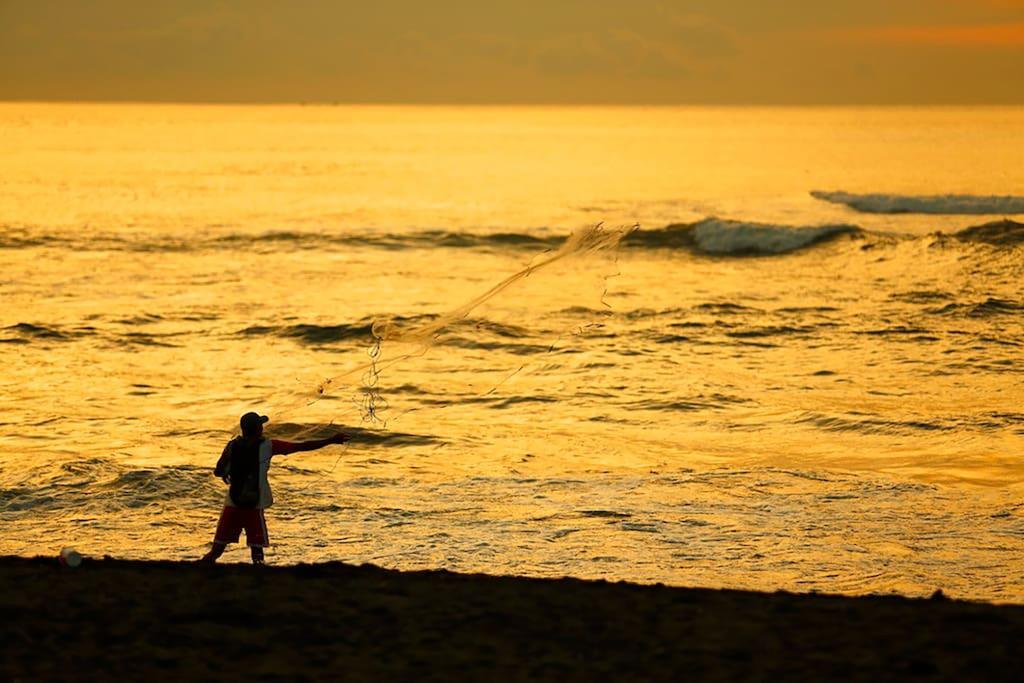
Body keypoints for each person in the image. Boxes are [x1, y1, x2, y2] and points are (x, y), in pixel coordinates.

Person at [200, 412, 347, 564]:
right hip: (254, 507)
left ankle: (199, 571)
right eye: (260, 426)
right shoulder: (268, 446)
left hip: (232, 504)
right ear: (257, 429)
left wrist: (228, 474)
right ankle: (259, 579)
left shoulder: (232, 445)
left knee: (216, 551)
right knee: (257, 553)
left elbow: (218, 471)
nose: (262, 428)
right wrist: (331, 440)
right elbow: (301, 446)